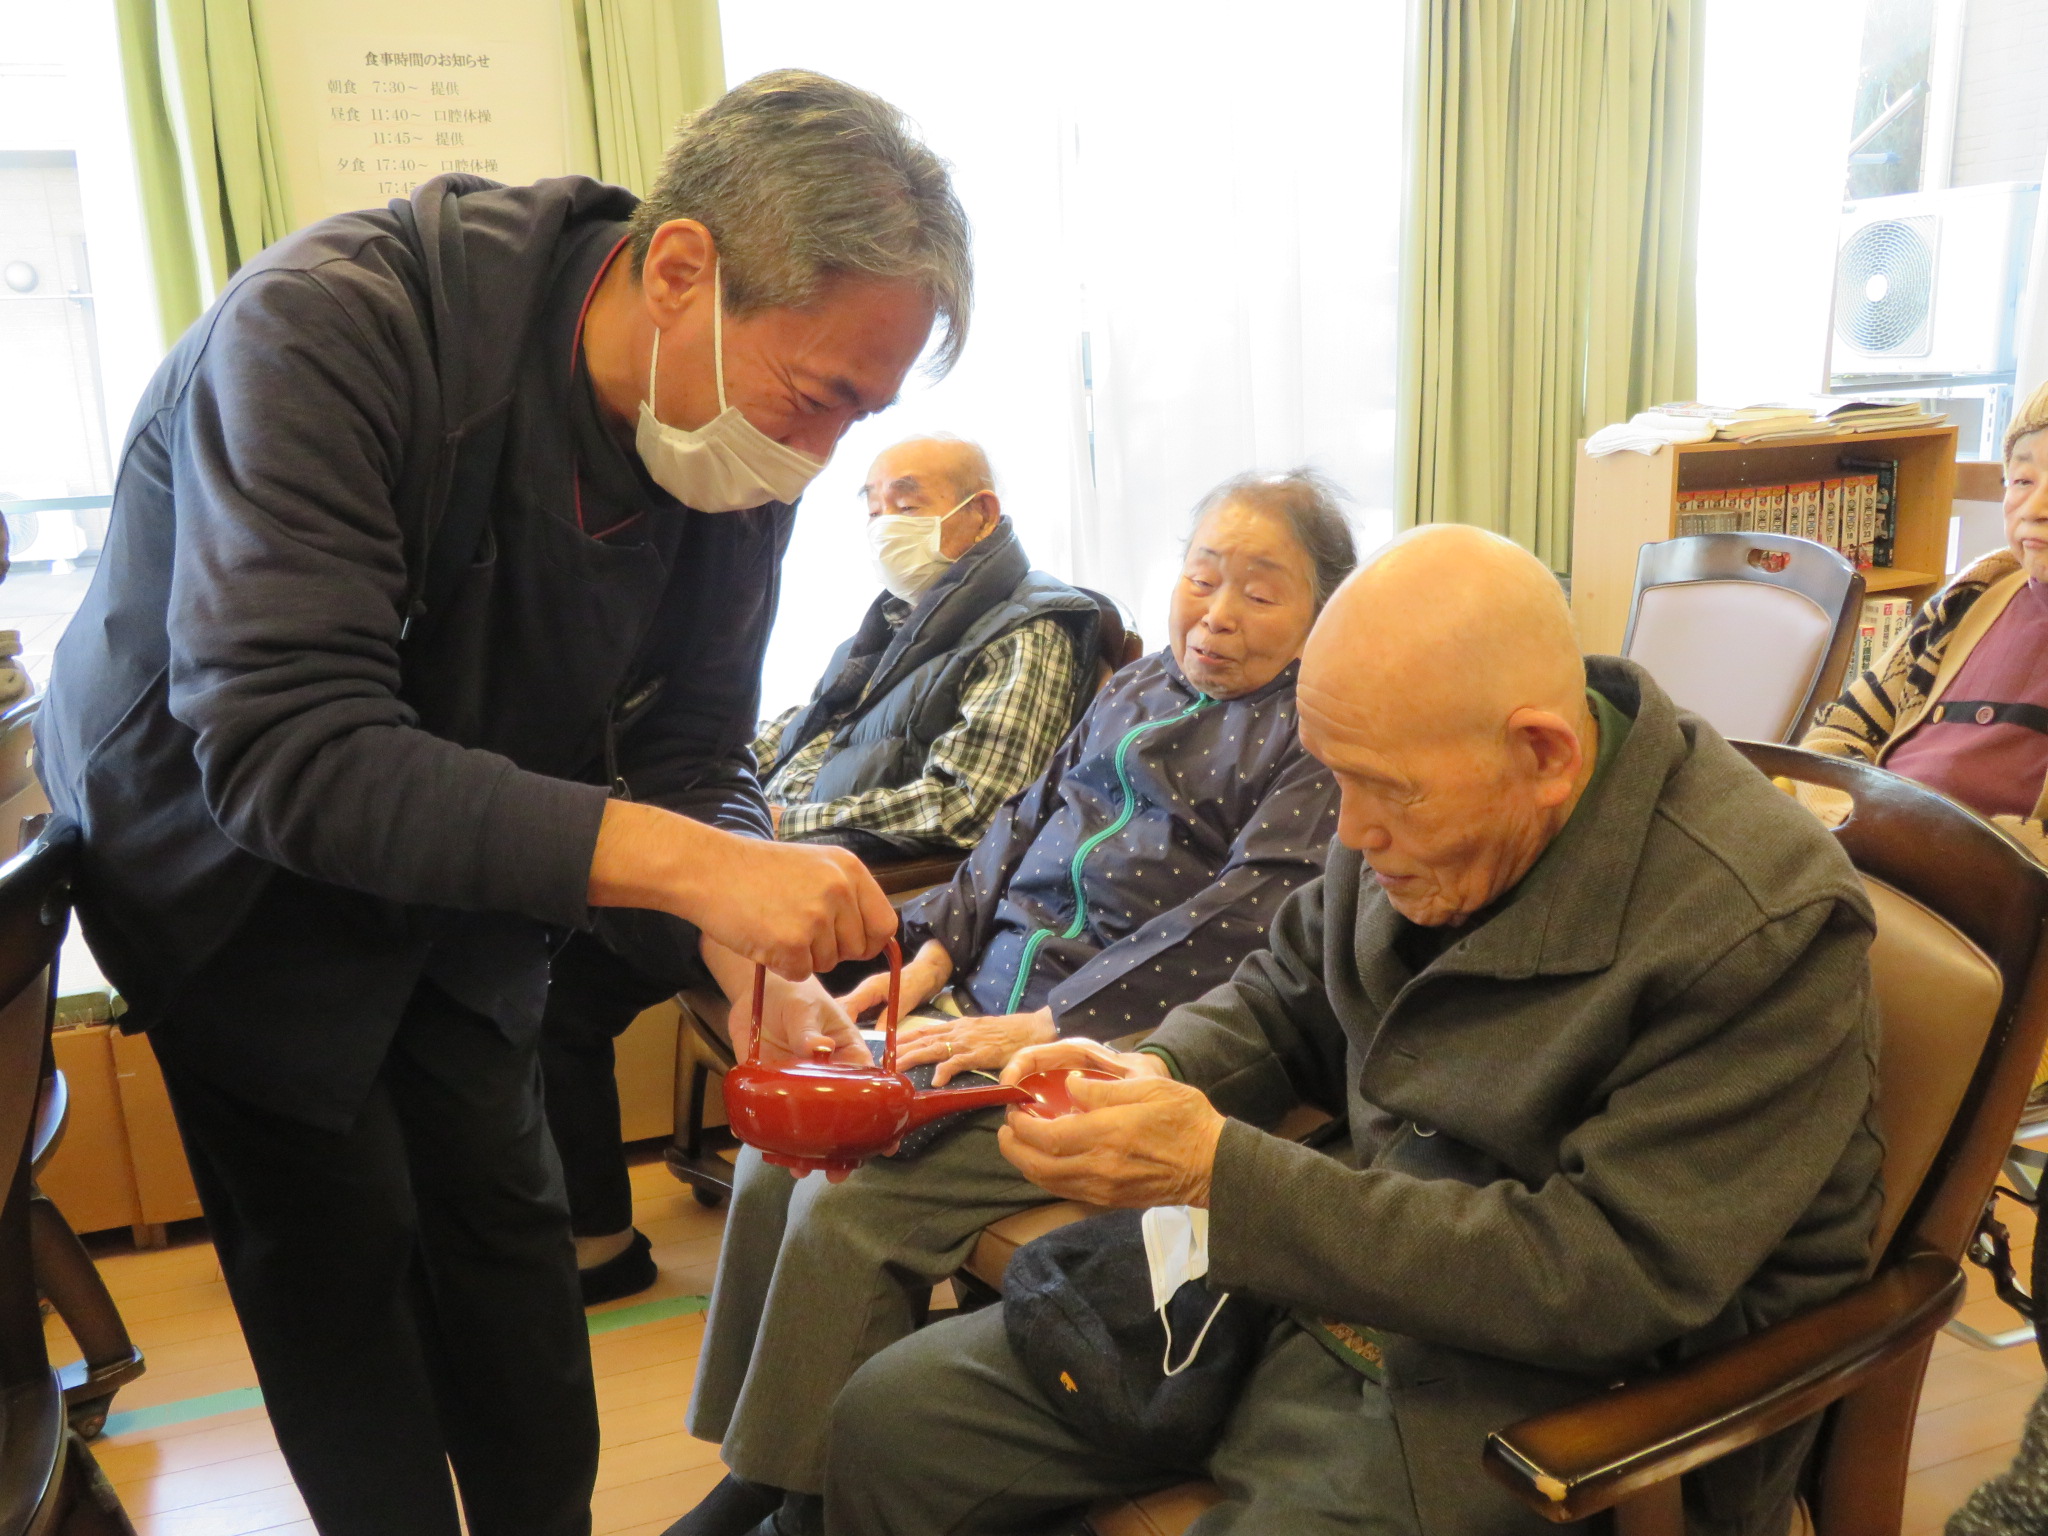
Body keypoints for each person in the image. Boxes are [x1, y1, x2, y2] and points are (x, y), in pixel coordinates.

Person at [34, 71, 961, 1536]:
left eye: (864, 412)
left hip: (467, 851)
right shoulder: (332, 330)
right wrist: (692, 870)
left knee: (511, 1258)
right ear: (679, 272)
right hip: (227, 865)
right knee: (342, 1276)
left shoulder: (736, 442)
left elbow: (691, 748)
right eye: (820, 398)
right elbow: (290, 747)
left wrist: (743, 950)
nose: (820, 454)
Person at [826, 525, 1885, 1536]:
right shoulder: (1416, 782)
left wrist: (1217, 1172)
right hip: (1333, 1269)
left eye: (1379, 791)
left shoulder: (1759, 925)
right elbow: (1286, 992)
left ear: (1545, 754)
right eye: (1333, 775)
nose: (1348, 830)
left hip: (1557, 1398)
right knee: (896, 1420)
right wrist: (1146, 1068)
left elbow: (1602, 1278)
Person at [674, 470, 1358, 1536]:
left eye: (1260, 593)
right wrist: (934, 955)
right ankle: (760, 1469)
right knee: (783, 1152)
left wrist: (1048, 1025)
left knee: (853, 1205)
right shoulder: (1138, 686)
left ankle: (806, 1505)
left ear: (1323, 614)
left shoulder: (1311, 735)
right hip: (982, 1008)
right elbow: (1023, 818)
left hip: (1119, 1048)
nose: (1217, 613)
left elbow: (1241, 922)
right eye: (1201, 576)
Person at [756, 434, 1100, 856]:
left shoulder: (1026, 630)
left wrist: (786, 823)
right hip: (770, 832)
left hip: (844, 865)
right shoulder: (895, 621)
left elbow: (972, 805)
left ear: (982, 514)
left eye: (906, 508)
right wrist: (717, 772)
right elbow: (815, 725)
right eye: (874, 512)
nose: (884, 529)